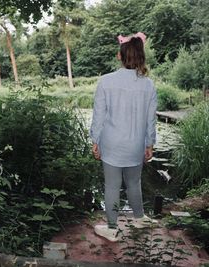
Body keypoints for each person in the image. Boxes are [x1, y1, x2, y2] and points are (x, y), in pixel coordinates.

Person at [89, 32, 158, 242]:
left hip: (111, 144)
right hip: (136, 144)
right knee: (134, 182)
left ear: (120, 56)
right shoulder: (148, 85)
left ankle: (112, 228)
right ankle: (139, 217)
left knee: (112, 186)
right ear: (140, 56)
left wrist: (95, 140)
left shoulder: (105, 81)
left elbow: (99, 115)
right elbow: (150, 120)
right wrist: (149, 144)